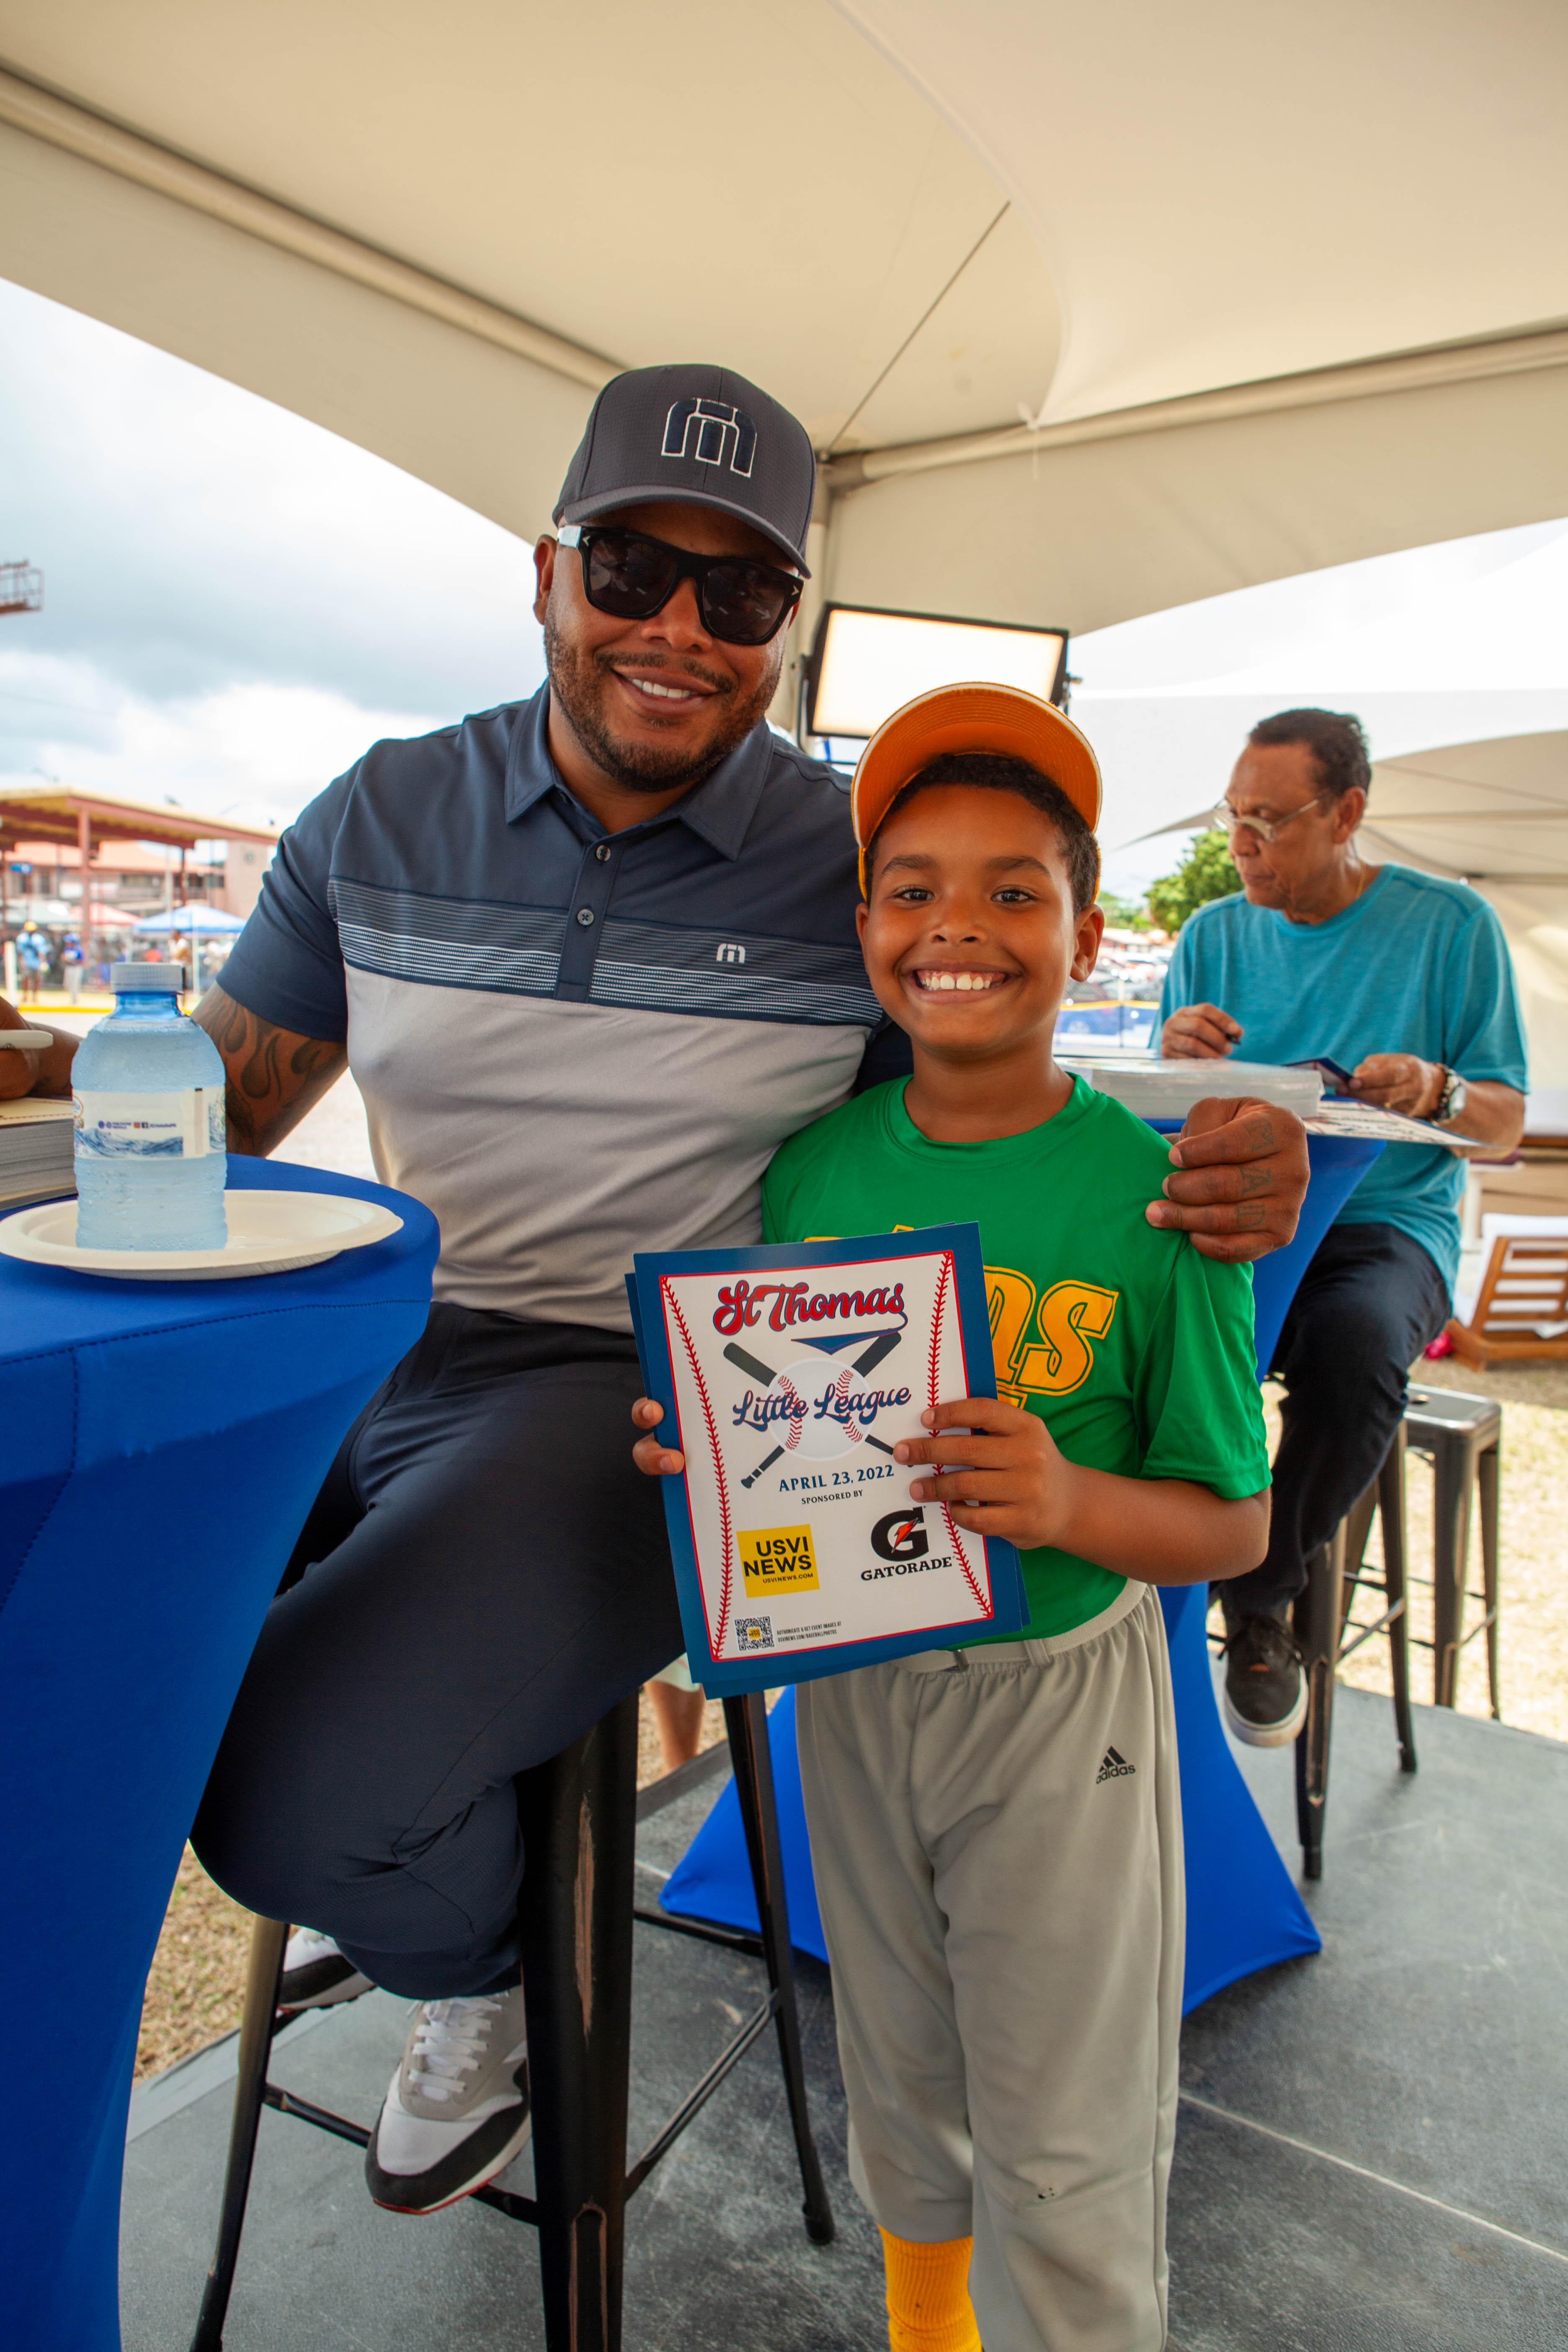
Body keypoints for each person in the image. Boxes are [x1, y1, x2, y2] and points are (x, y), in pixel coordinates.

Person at [0, 362, 1308, 2220]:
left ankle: (497, 1968)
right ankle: (452, 1819)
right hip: (367, 1342)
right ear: (548, 574)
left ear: (784, 630)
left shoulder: (844, 863)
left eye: (745, 594)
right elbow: (217, 1107)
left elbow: (1002, 1065)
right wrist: (43, 1084)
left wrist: (1223, 1156)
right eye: (631, 568)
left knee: (290, 1791)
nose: (679, 629)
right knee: (90, 1676)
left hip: (639, 1404)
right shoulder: (381, 814)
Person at [633, 688, 1271, 2352]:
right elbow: (788, 1429)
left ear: (1087, 926)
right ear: (864, 927)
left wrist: (1063, 1497)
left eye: (1013, 888)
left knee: (1066, 2137)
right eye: (913, 886)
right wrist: (711, 1441)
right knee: (900, 2070)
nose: (957, 928)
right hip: (859, 1693)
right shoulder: (810, 1174)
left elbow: (1235, 1528)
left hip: (1064, 1705)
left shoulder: (1159, 1202)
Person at [1161, 707, 1527, 1744]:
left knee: (1358, 1346)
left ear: (1348, 813)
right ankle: (1125, 1590)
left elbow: (1501, 1122)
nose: (1241, 848)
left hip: (1383, 1222)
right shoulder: (1211, 937)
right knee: (1131, 1328)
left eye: (1268, 822)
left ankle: (1260, 1594)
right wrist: (1175, 1052)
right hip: (1235, 1210)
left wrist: (1438, 1089)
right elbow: (1149, 1122)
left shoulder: (1450, 928)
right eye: (1233, 820)